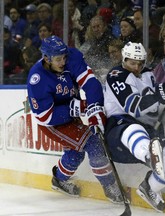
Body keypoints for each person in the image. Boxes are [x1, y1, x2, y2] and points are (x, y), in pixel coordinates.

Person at [26, 35, 122, 203]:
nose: (63, 62)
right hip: (53, 123)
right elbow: (45, 116)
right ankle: (110, 187)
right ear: (46, 58)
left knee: (76, 152)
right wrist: (81, 107)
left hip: (71, 112)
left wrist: (95, 107)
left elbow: (91, 82)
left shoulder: (72, 57)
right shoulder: (37, 79)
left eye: (64, 57)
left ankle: (59, 180)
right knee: (93, 143)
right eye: (58, 59)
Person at [104, 41, 165, 212]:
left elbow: (155, 101)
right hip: (119, 132)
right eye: (132, 63)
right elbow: (133, 107)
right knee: (135, 129)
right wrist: (161, 93)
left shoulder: (149, 74)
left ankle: (150, 187)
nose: (136, 67)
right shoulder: (116, 74)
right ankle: (150, 157)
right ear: (124, 59)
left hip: (147, 133)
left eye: (140, 63)